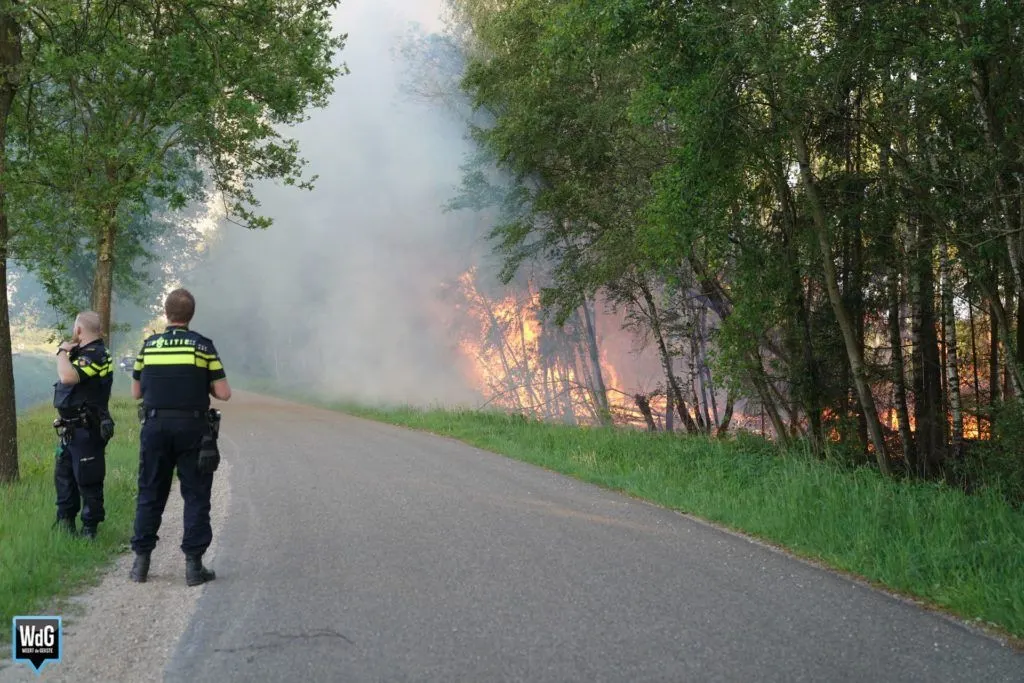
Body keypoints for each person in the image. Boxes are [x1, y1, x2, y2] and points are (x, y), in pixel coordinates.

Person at [129, 288, 231, 586]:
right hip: (193, 430)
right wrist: (204, 386)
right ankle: (194, 567)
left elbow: (136, 392)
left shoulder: (149, 346)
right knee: (196, 494)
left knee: (150, 492)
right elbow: (223, 393)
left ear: (166, 313)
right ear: (191, 314)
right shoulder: (203, 347)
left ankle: (141, 564)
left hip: (155, 427)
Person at [52, 311, 114, 540]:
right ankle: (65, 523)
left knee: (89, 479)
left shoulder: (97, 354)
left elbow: (68, 378)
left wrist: (61, 351)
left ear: (78, 330)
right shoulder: (82, 353)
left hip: (88, 428)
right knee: (64, 477)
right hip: (70, 429)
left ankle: (89, 530)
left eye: (74, 328)